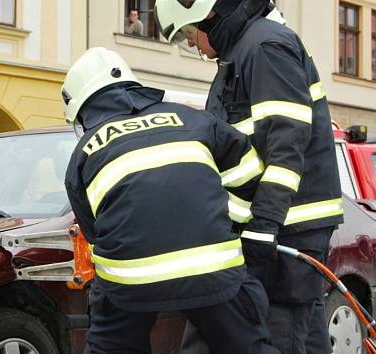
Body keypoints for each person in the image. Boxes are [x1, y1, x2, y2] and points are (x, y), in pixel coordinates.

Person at [154, 1, 344, 353]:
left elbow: (286, 145)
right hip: (280, 227)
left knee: (278, 336)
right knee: (304, 338)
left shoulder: (264, 47)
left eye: (187, 33)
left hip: (286, 229)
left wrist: (264, 223)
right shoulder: (243, 50)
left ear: (208, 15)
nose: (192, 45)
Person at [63, 47, 278, 354]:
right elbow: (248, 171)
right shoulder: (192, 118)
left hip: (131, 280)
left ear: (83, 109)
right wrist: (225, 222)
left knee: (112, 343)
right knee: (246, 344)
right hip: (211, 268)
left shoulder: (84, 152)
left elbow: (96, 235)